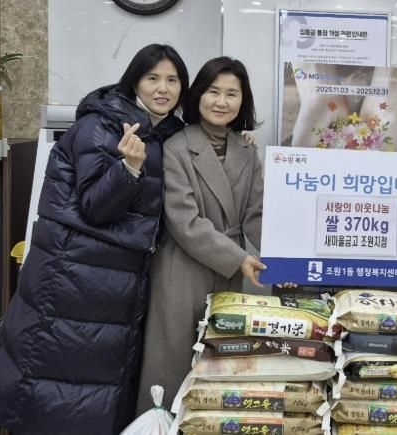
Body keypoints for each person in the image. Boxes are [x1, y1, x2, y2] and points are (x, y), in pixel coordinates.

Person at [0, 44, 189, 433]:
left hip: (109, 280)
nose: (163, 88)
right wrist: (129, 168)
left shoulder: (162, 131)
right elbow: (96, 207)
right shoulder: (102, 126)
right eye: (153, 78)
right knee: (58, 381)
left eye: (172, 80)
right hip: (73, 276)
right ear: (134, 81)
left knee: (87, 386)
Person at [135, 56, 267, 414]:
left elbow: (255, 215)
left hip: (231, 272)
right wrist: (239, 258)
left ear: (243, 100)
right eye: (213, 92)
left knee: (220, 365)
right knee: (171, 366)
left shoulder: (248, 151)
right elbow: (184, 221)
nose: (221, 102)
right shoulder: (175, 146)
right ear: (198, 96)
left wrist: (287, 259)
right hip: (181, 270)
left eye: (232, 94)